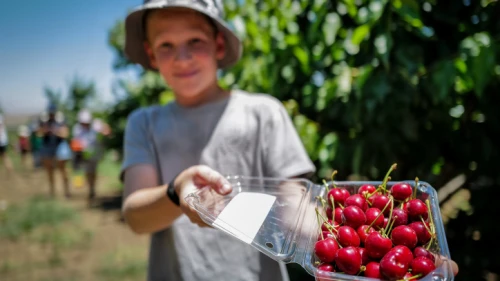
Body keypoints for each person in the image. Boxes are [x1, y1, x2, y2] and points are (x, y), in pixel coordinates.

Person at [120, 1, 316, 280]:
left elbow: (294, 199)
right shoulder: (144, 123)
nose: (183, 57)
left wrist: (332, 237)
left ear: (219, 45)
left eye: (195, 40)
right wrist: (177, 191)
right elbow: (136, 218)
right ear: (151, 54)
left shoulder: (263, 113)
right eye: (166, 45)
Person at [71, 109, 110, 200]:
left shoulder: (96, 125)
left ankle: (92, 187)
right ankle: (91, 188)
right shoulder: (77, 129)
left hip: (95, 153)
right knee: (88, 171)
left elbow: (106, 128)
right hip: (85, 154)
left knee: (93, 171)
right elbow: (76, 141)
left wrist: (105, 132)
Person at [38, 104, 71, 198]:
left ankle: (67, 192)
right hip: (48, 146)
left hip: (60, 146)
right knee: (49, 171)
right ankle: (52, 192)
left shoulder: (61, 121)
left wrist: (56, 132)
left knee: (63, 169)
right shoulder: (44, 122)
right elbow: (39, 133)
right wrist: (45, 131)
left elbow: (65, 134)